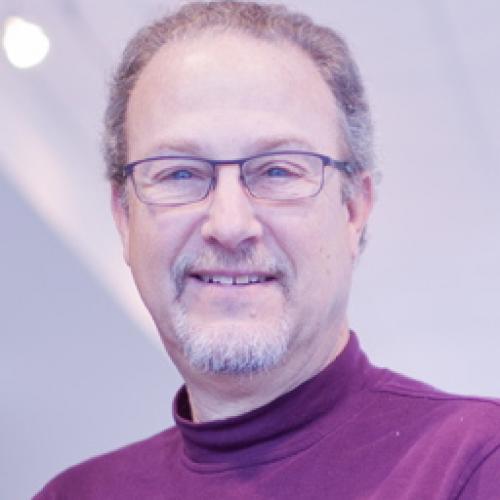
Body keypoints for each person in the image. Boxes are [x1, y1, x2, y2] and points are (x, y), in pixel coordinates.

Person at [34, 1, 500, 498]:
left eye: (278, 170)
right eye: (179, 173)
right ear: (124, 218)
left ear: (353, 210)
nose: (229, 225)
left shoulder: (474, 464)